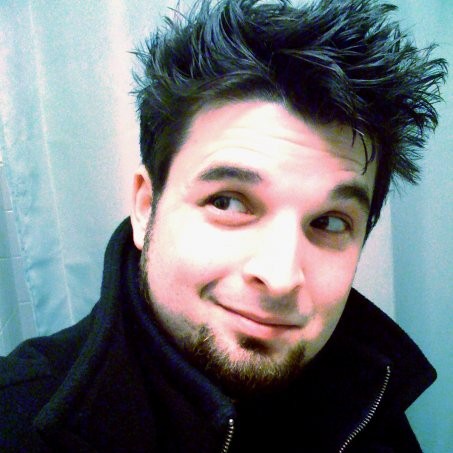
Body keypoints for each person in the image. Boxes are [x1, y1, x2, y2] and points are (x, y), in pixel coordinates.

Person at [0, 0, 447, 451]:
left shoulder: (372, 404)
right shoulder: (16, 422)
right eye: (228, 202)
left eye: (329, 222)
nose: (279, 277)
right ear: (145, 206)